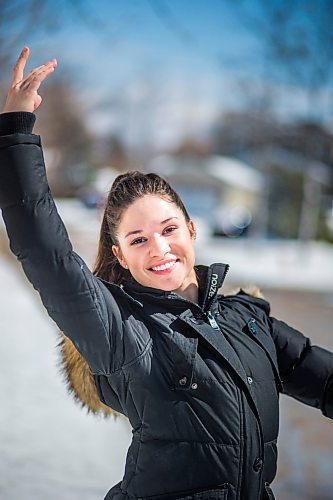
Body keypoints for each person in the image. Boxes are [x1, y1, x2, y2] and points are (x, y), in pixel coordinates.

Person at [0, 48, 332, 500]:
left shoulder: (250, 318)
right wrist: (15, 131)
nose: (159, 249)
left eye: (169, 229)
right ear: (119, 254)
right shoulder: (120, 331)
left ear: (191, 230)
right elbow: (45, 251)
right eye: (137, 239)